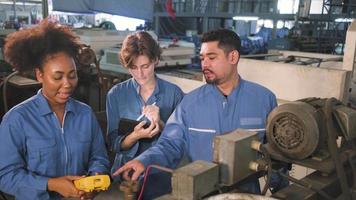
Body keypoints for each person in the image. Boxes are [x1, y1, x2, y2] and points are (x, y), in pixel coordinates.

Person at [113, 29, 287, 195]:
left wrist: (281, 190)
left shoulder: (264, 100)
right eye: (202, 58)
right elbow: (169, 145)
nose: (204, 64)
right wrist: (144, 161)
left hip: (246, 194)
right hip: (200, 193)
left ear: (233, 57)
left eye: (211, 58)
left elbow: (276, 154)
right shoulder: (190, 104)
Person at [0, 19, 109, 199]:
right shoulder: (17, 119)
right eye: (57, 77)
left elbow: (99, 158)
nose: (67, 84)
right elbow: (5, 176)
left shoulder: (85, 114)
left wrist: (95, 180)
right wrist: (50, 184)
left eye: (72, 76)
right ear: (40, 75)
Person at [106, 31, 184, 198]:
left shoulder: (174, 94)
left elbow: (181, 143)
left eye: (145, 66)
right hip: (125, 176)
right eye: (133, 68)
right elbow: (113, 144)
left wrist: (161, 124)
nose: (140, 74)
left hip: (160, 176)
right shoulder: (116, 95)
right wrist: (134, 136)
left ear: (155, 59)